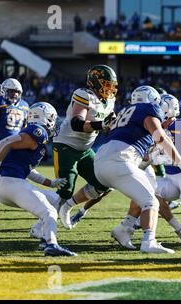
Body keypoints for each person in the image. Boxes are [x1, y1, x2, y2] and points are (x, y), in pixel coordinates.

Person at [94, 85, 181, 254]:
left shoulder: (124, 111)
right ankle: (148, 241)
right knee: (151, 201)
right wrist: (180, 162)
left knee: (147, 190)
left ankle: (125, 228)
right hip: (119, 159)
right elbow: (160, 136)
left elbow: (138, 150)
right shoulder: (147, 108)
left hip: (101, 160)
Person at [111, 93, 181, 250]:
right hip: (169, 177)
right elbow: (146, 157)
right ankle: (178, 229)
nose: (161, 119)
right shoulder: (151, 127)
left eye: (164, 116)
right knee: (145, 193)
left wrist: (162, 155)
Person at [0, 102, 76, 256]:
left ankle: (41, 234)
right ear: (44, 117)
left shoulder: (34, 135)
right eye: (52, 118)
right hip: (12, 184)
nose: (53, 122)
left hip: (8, 187)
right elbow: (5, 142)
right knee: (49, 212)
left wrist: (51, 183)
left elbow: (28, 169)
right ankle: (51, 245)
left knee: (55, 199)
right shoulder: (38, 131)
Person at [53, 65, 117, 230]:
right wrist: (102, 124)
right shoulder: (83, 94)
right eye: (106, 84)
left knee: (103, 183)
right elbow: (76, 123)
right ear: (94, 82)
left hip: (85, 148)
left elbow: (108, 126)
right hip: (66, 145)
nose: (110, 89)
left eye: (111, 85)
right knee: (65, 189)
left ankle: (68, 206)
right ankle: (42, 225)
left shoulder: (110, 100)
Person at [0, 78, 29, 220]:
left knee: (7, 180)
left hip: (12, 149)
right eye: (11, 91)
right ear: (3, 91)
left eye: (16, 91)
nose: (14, 94)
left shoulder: (25, 106)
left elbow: (25, 129)